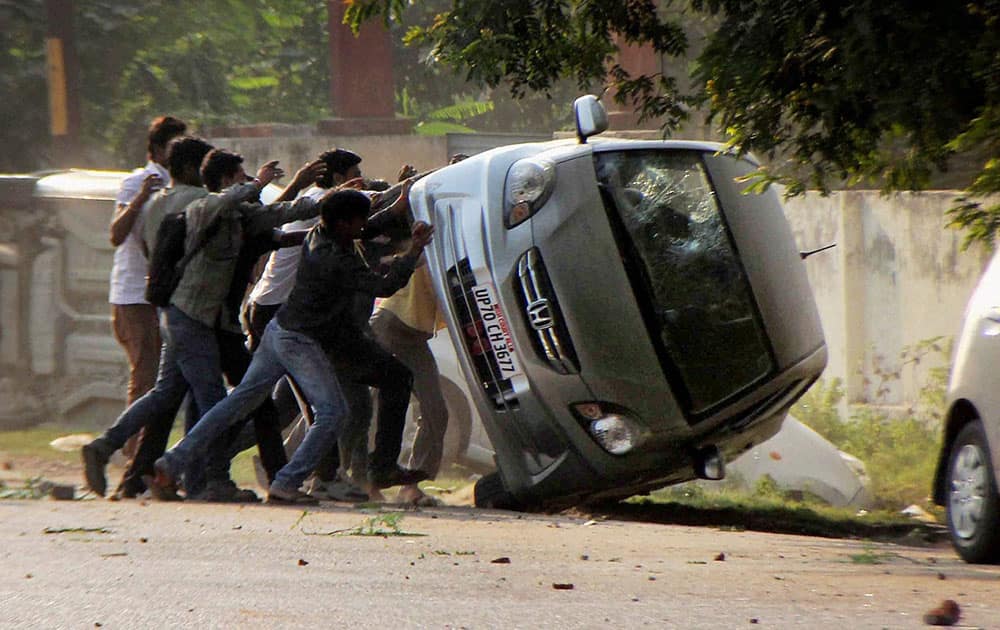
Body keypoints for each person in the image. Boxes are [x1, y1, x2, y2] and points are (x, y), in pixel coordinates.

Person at [151, 189, 434, 504]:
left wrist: (396, 209)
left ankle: (172, 461)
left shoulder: (323, 233)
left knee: (237, 404)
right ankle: (288, 481)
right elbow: (384, 285)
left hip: (279, 332)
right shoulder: (335, 258)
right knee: (333, 411)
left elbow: (367, 229)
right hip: (300, 341)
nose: (363, 226)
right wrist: (413, 251)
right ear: (343, 223)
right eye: (359, 220)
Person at [108, 115, 186, 457]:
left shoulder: (178, 185)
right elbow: (117, 234)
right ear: (156, 149)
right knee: (146, 375)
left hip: (159, 294)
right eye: (173, 146)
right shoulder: (138, 181)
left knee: (158, 379)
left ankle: (141, 454)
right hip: (134, 294)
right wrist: (140, 198)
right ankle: (134, 454)